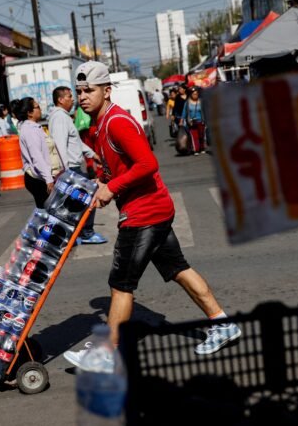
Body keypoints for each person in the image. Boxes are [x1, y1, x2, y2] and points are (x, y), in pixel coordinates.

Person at [63, 61, 241, 372]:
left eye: (88, 90)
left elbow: (147, 163)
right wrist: (102, 184)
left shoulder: (117, 121)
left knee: (121, 284)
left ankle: (108, 352)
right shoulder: (98, 126)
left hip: (144, 213)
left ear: (106, 91)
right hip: (151, 209)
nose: (82, 97)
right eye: (79, 91)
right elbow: (116, 167)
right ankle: (222, 324)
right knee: (178, 269)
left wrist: (113, 187)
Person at [48, 86, 108, 244]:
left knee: (74, 203)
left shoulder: (65, 117)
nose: (73, 99)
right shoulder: (59, 118)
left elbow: (76, 143)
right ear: (61, 100)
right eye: (69, 96)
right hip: (70, 169)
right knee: (89, 195)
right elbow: (59, 145)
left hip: (73, 167)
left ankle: (73, 234)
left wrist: (93, 155)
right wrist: (66, 171)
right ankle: (86, 233)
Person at [15, 97, 58, 208]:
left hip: (42, 177)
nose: (40, 109)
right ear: (29, 113)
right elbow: (37, 157)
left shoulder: (34, 127)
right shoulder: (30, 130)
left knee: (48, 214)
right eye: (37, 107)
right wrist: (48, 179)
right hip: (38, 179)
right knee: (48, 214)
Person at [181, 86, 207, 155]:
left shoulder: (201, 101)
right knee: (194, 136)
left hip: (201, 121)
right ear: (191, 94)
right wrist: (181, 120)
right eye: (194, 94)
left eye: (196, 94)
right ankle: (196, 150)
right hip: (191, 122)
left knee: (201, 135)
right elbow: (184, 112)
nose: (196, 95)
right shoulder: (187, 103)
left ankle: (202, 148)